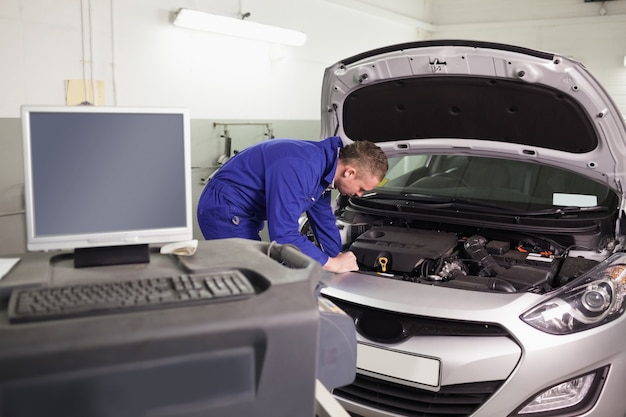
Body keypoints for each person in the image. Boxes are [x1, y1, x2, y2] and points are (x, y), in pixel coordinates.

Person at [197, 136, 388, 273]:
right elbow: (283, 234)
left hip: (243, 212)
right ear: (350, 173)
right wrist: (330, 263)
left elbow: (324, 221)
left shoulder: (324, 169)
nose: (360, 195)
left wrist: (338, 256)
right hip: (224, 209)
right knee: (249, 275)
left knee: (262, 271)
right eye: (362, 188)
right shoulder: (302, 168)